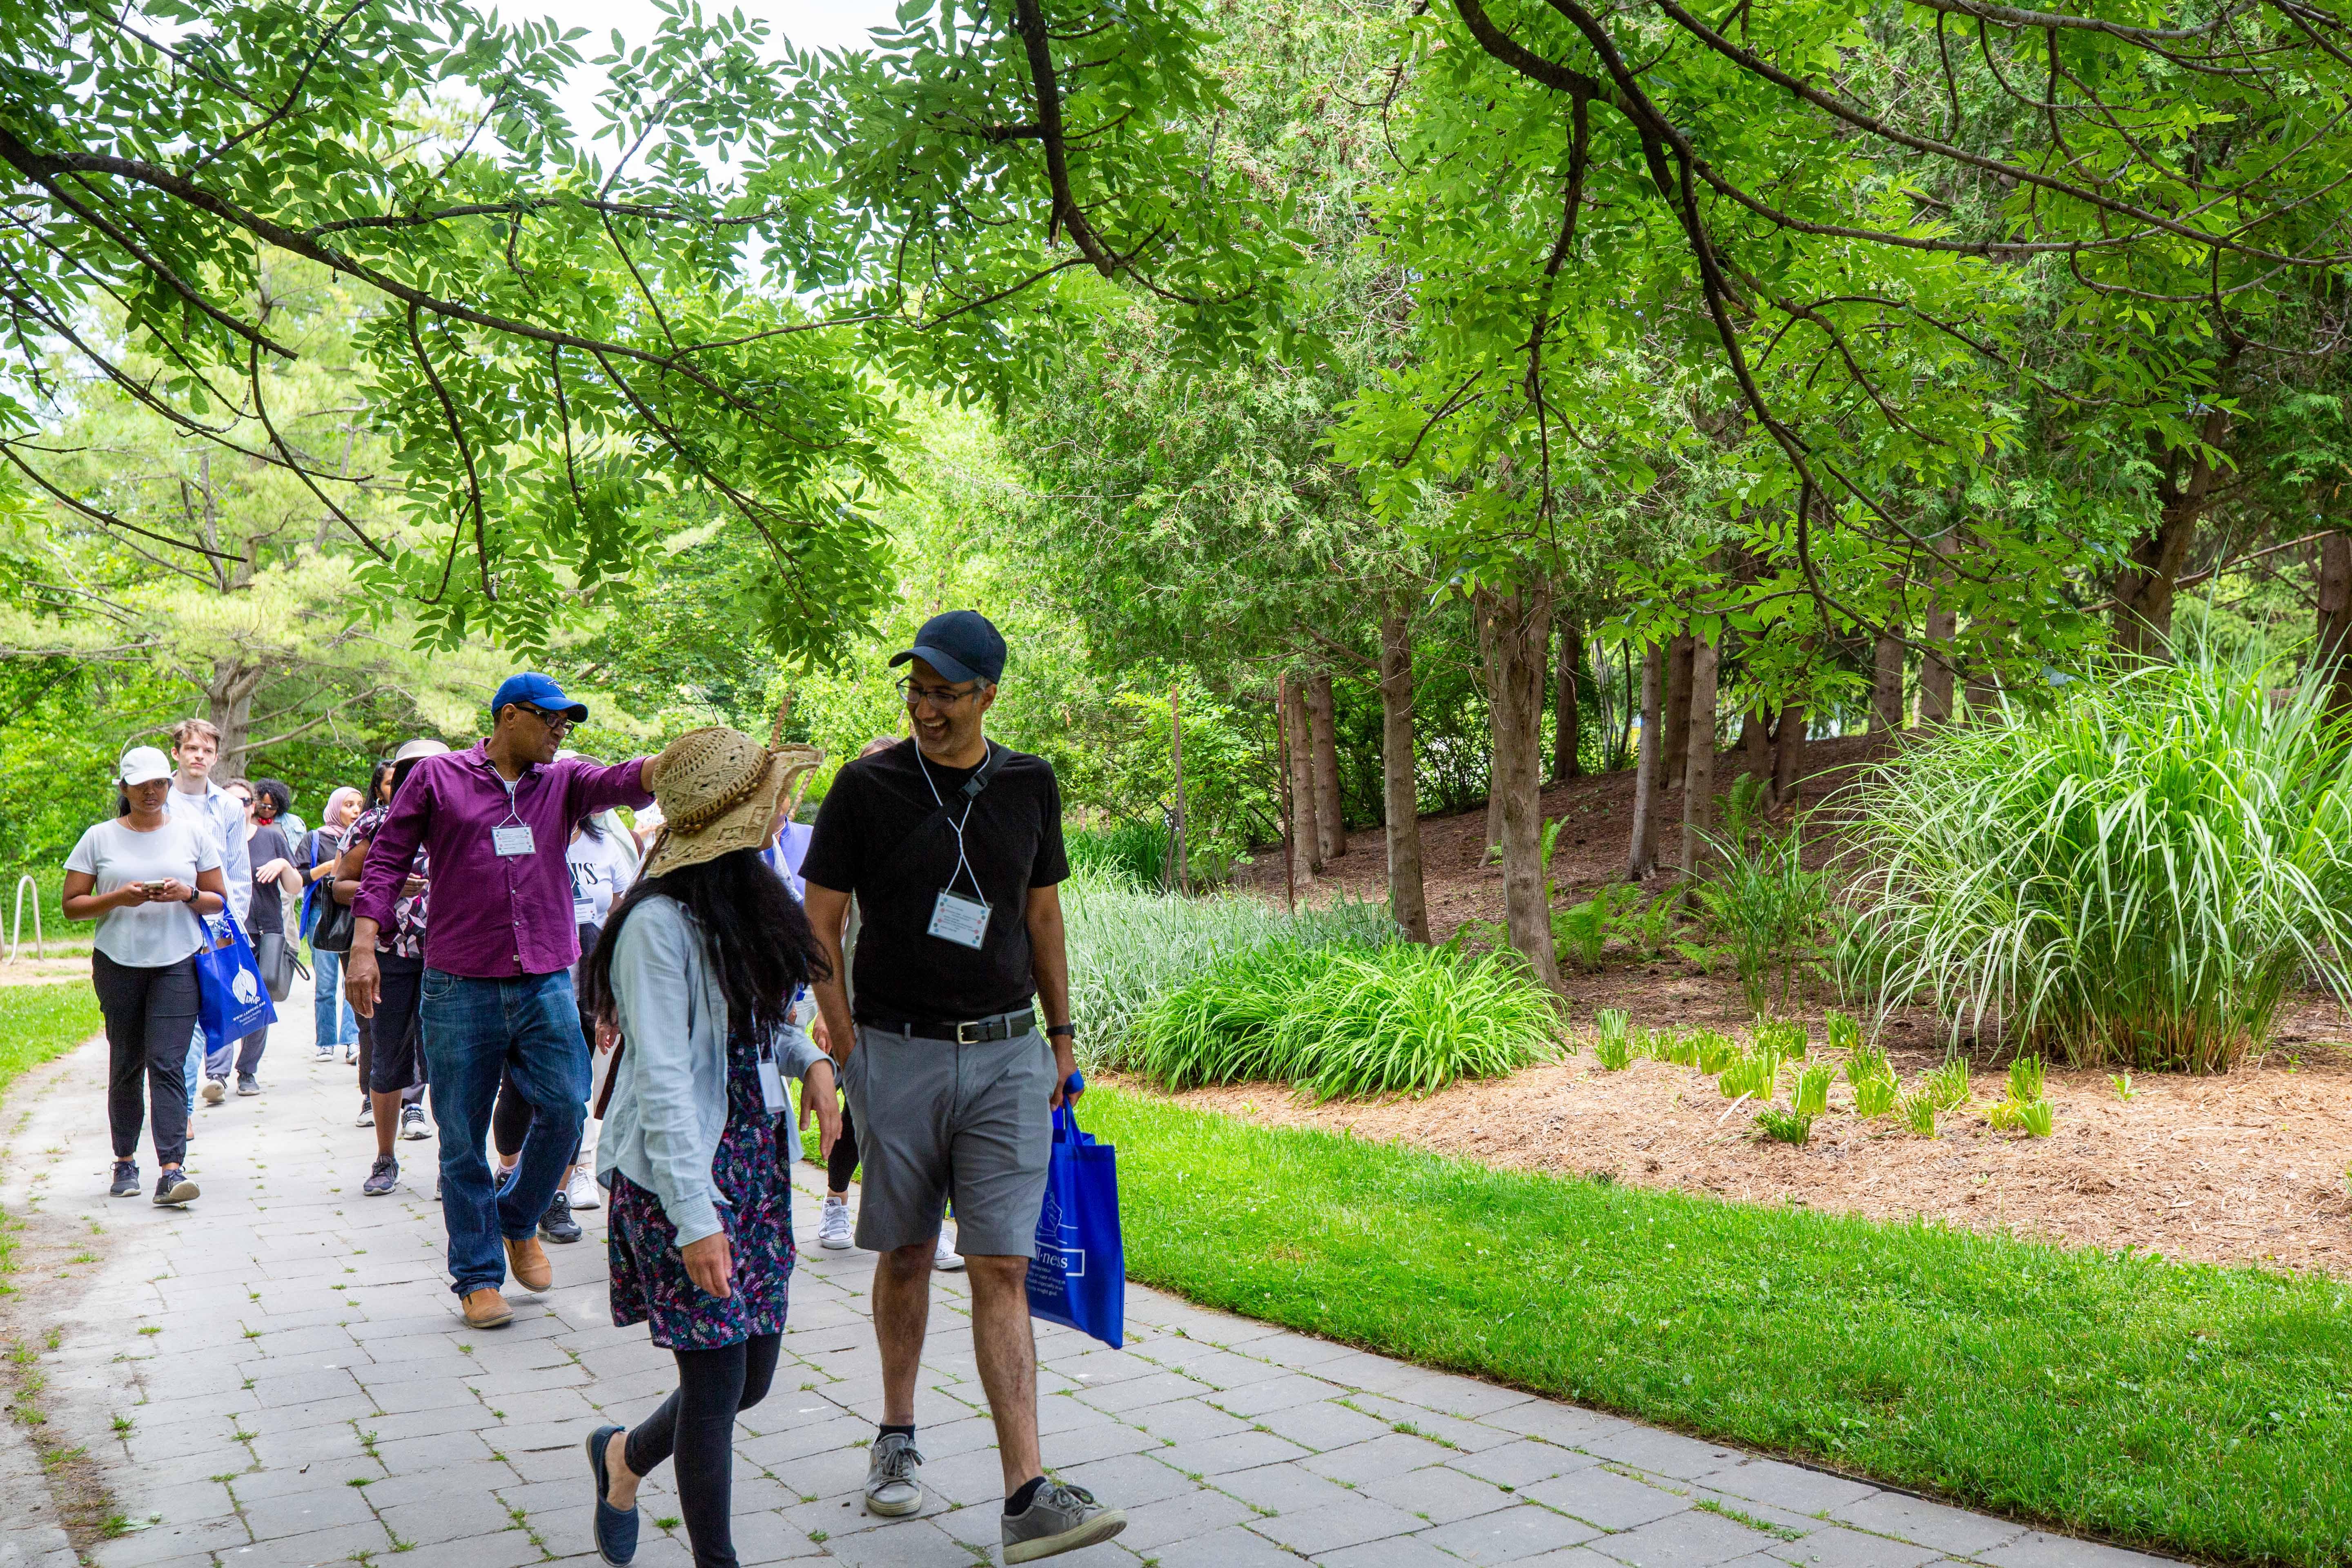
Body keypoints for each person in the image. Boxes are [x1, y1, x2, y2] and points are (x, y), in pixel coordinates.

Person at [801, 611, 1123, 1563]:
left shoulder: (1028, 784)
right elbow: (818, 916)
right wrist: (849, 1040)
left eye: (945, 691)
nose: (924, 706)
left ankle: (1025, 1491)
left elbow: (1043, 914)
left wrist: (1061, 1040)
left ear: (988, 693)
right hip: (893, 1054)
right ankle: (895, 1434)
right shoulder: (864, 786)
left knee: (1003, 1265)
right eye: (916, 688)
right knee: (903, 1252)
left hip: (1006, 1054)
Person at [579, 724, 841, 1568]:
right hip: (680, 1176)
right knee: (716, 1382)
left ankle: (622, 1457)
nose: (787, 809)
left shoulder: (741, 896)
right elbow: (660, 1078)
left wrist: (814, 1063)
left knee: (751, 1379)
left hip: (756, 1164)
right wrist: (694, 1217)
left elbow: (760, 1025)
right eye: (775, 798)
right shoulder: (655, 925)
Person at [347, 675, 655, 1330]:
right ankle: (479, 1277)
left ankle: (516, 1217)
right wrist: (365, 946)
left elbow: (626, 780)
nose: (561, 732)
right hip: (459, 981)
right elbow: (386, 862)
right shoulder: (437, 778)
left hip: (545, 976)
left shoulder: (564, 782)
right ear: (508, 716)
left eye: (567, 725)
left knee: (569, 1108)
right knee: (460, 1134)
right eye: (551, 721)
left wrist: (670, 764)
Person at [804, 736, 964, 1275]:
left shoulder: (929, 834)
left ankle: (932, 1229)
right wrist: (828, 1014)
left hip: (920, 1009)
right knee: (860, 1116)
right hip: (855, 1005)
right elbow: (827, 929)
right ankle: (835, 1202)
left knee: (931, 1127)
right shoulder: (853, 841)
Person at [62, 746, 231, 1207]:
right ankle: (124, 1160)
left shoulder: (192, 834)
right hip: (118, 962)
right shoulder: (99, 837)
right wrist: (118, 898)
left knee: (168, 1063)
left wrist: (187, 892)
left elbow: (218, 899)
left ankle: (172, 1171)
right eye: (141, 786)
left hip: (177, 961)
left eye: (159, 784)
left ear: (168, 786)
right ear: (125, 789)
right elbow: (72, 905)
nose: (151, 792)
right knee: (127, 1062)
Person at [335, 739, 447, 1189]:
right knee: (387, 1058)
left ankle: (452, 1166)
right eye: (413, 771)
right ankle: (385, 1159)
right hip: (391, 956)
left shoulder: (464, 822)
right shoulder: (373, 825)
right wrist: (391, 888)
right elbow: (341, 886)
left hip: (452, 957)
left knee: (451, 1065)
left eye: (433, 769)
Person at [160, 719, 249, 1129]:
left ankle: (182, 1110)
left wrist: (236, 929)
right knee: (177, 1019)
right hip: (166, 920)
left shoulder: (229, 806)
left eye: (207, 750)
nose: (199, 756)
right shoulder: (157, 800)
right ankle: (179, 1108)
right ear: (176, 753)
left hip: (215, 924)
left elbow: (238, 872)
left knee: (200, 1016)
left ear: (216, 757)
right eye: (191, 748)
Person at [223, 778, 301, 1096]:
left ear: (252, 807)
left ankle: (247, 1071)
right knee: (224, 1000)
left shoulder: (271, 838)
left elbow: (295, 886)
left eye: (243, 801)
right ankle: (217, 1073)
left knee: (258, 1002)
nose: (237, 808)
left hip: (267, 930)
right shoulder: (210, 840)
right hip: (225, 931)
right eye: (229, 802)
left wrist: (283, 863)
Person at [299, 786, 364, 1063]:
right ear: (335, 807)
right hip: (322, 913)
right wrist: (329, 868)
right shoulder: (315, 838)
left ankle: (352, 1041)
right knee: (325, 983)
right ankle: (326, 1042)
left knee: (354, 978)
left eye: (359, 805)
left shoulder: (364, 837)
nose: (355, 811)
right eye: (348, 805)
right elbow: (299, 876)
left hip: (352, 913)